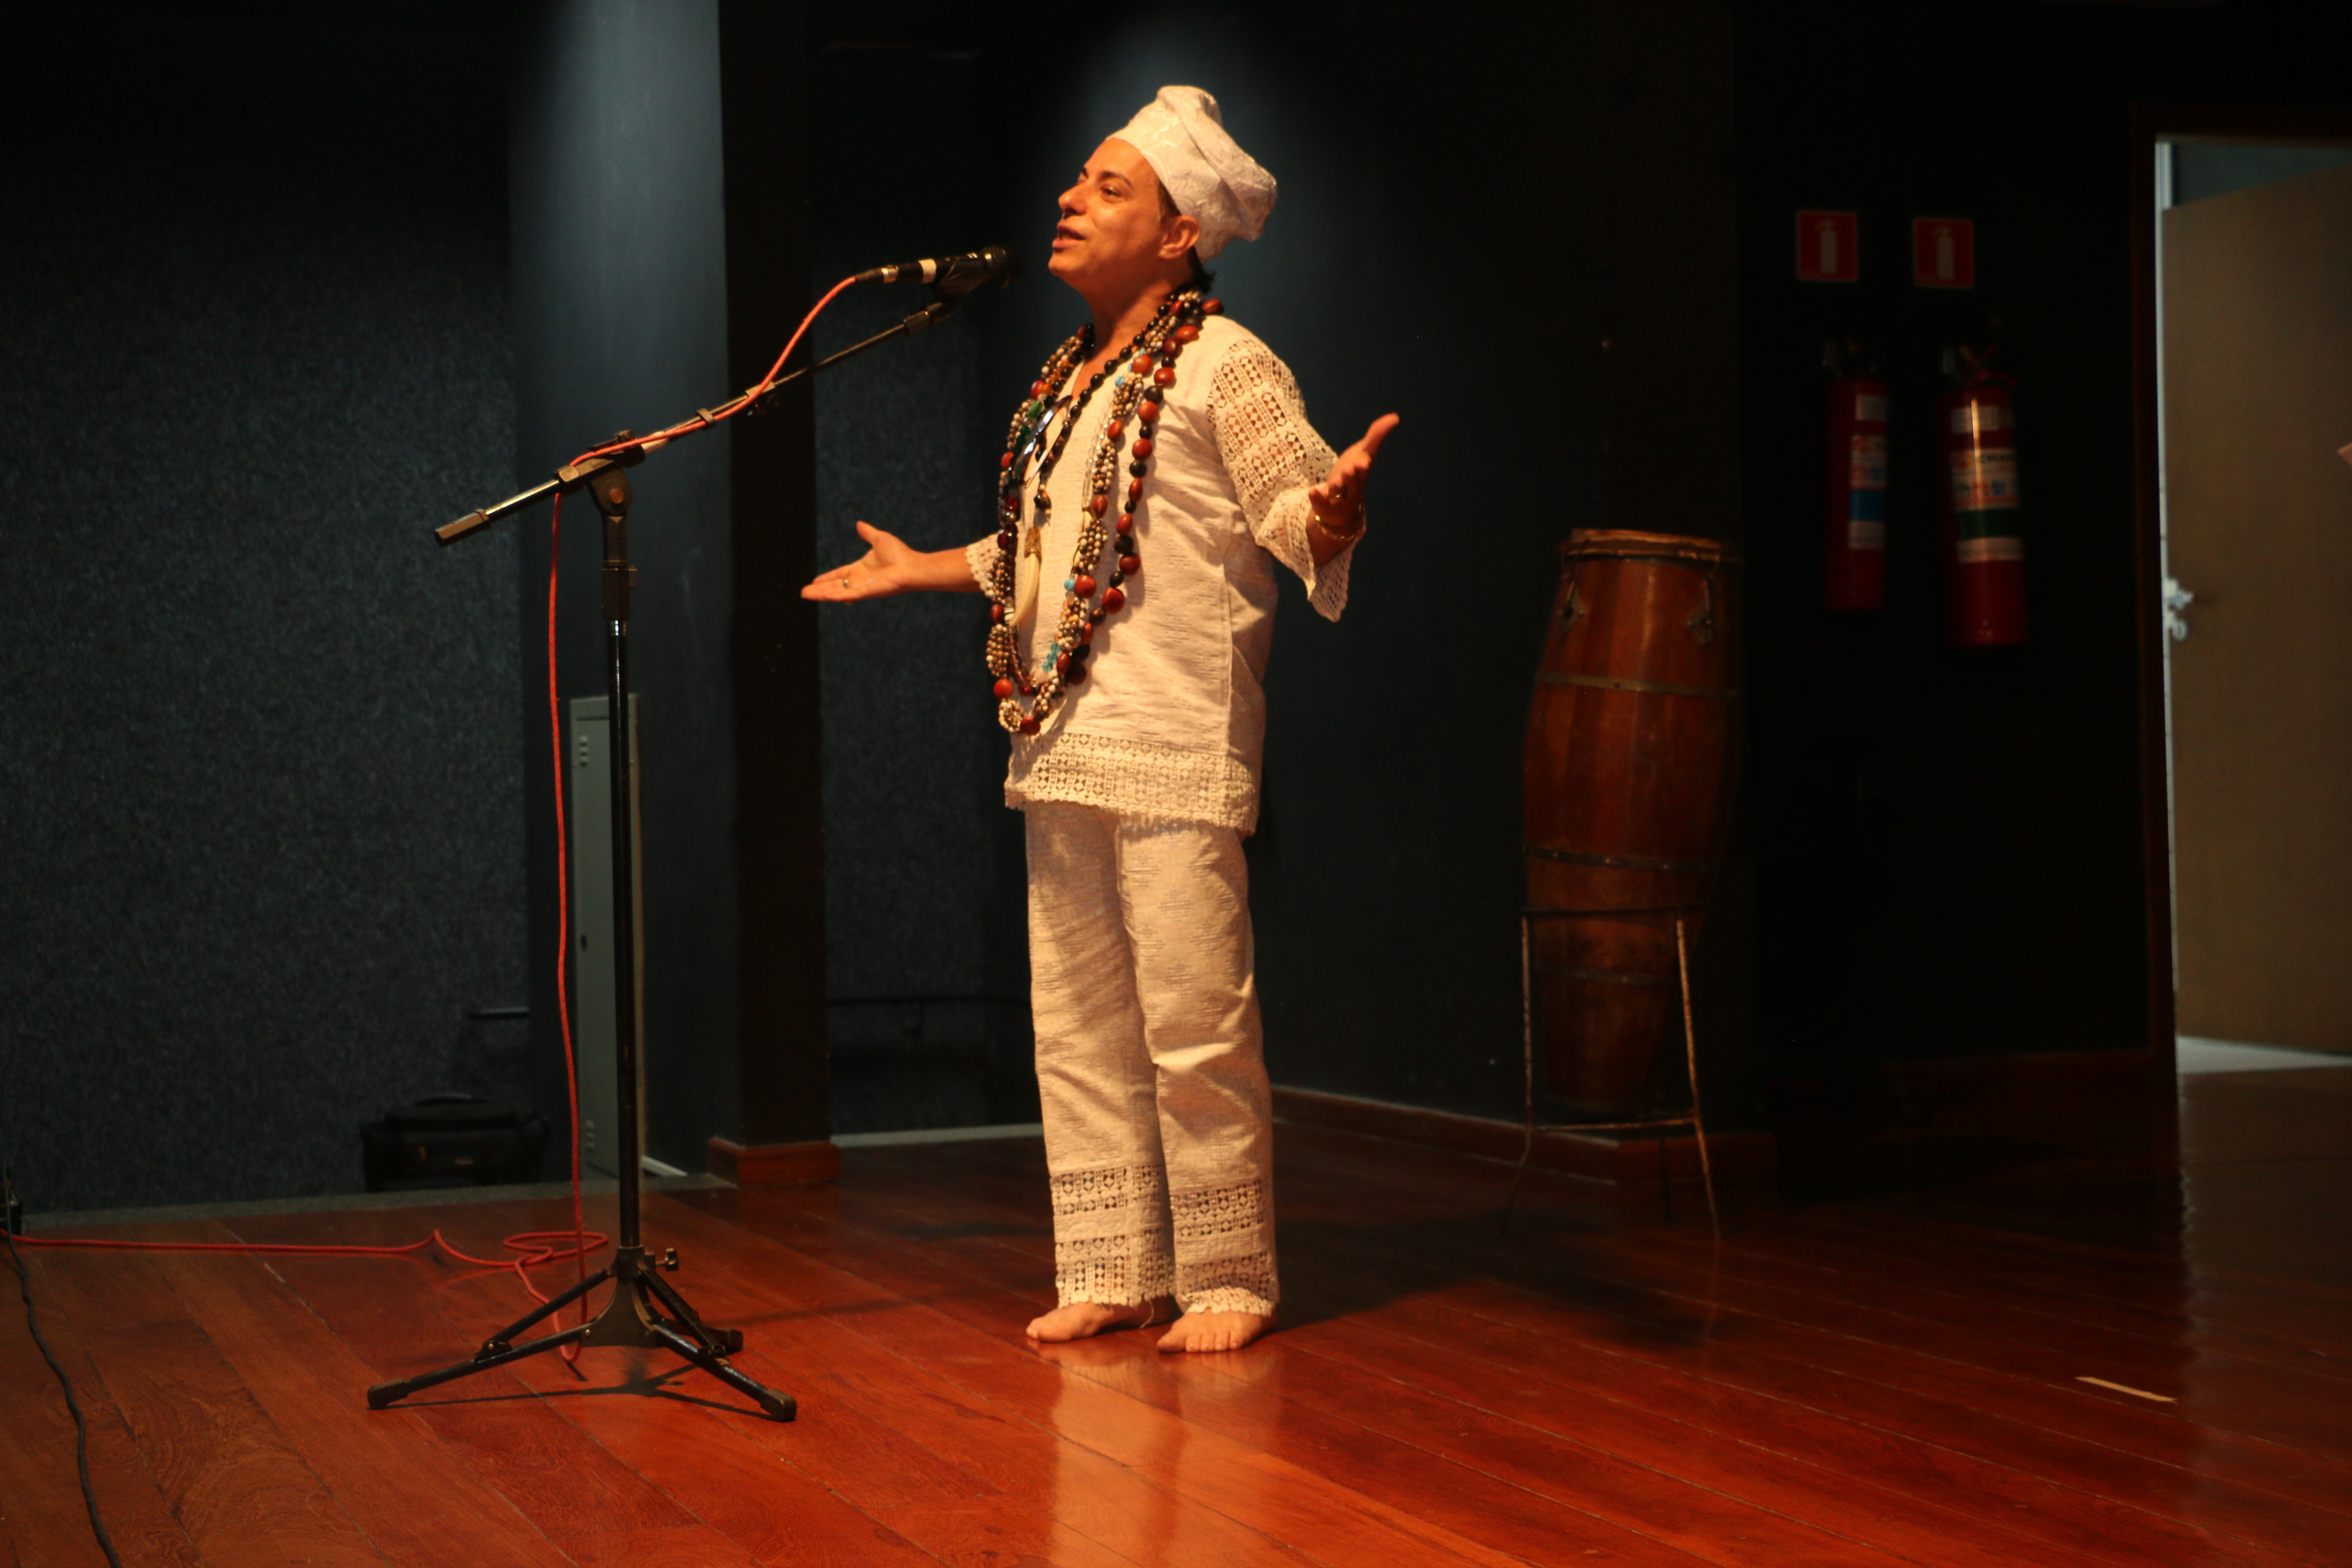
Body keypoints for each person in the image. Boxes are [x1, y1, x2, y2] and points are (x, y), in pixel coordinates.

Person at [805, 86, 1397, 1354]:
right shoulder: (1073, 378)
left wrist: (1334, 508)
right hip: (1060, 738)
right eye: (1076, 180)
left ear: (1181, 234)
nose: (1070, 201)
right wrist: (920, 569)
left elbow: (1293, 510)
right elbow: (1054, 552)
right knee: (1077, 1026)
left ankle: (1227, 1277)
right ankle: (1113, 1265)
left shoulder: (1227, 364)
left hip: (1174, 740)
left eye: (1108, 188)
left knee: (1194, 1023)